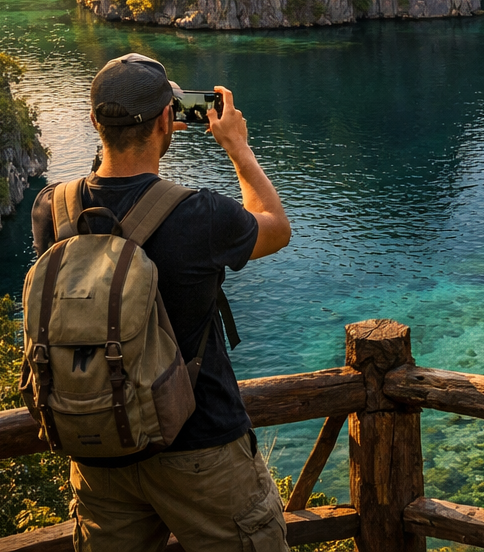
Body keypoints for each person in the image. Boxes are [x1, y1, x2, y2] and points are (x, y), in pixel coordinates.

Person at [31, 53, 292, 552]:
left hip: (100, 447)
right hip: (201, 449)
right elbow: (276, 228)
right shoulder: (200, 213)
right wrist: (237, 146)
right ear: (168, 120)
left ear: (94, 121)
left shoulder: (54, 208)